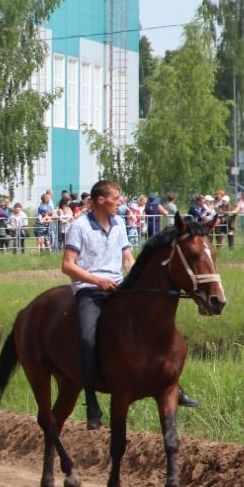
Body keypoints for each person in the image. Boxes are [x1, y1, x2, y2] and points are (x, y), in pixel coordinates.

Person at [63, 180, 200, 430]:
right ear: (101, 200)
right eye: (116, 197)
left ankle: (174, 385)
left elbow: (127, 258)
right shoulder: (78, 226)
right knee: (86, 338)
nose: (120, 201)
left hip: (118, 286)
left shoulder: (118, 223)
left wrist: (135, 278)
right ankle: (91, 402)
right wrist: (97, 280)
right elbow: (68, 265)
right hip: (90, 291)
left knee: (157, 329)